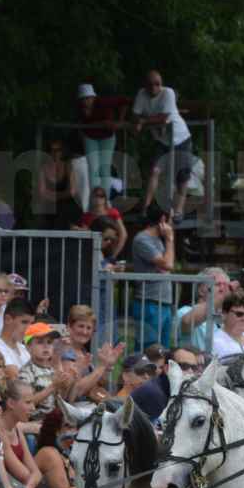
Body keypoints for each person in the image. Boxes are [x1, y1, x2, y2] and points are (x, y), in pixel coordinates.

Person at [132, 70, 194, 221]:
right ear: (145, 85)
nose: (154, 87)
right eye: (150, 84)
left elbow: (163, 117)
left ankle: (178, 212)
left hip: (181, 138)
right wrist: (139, 121)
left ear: (162, 84)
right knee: (154, 171)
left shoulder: (168, 93)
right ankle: (144, 209)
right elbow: (135, 114)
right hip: (163, 140)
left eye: (157, 84)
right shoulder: (142, 94)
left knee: (182, 177)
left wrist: (143, 121)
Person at [129, 205, 176, 348]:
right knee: (148, 349)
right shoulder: (142, 239)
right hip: (149, 302)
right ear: (163, 219)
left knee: (163, 350)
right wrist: (169, 240)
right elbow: (168, 264)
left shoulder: (157, 240)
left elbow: (168, 262)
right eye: (171, 219)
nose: (172, 224)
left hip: (162, 302)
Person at [76, 83, 127, 191]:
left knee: (104, 169)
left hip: (107, 137)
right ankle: (95, 200)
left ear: (93, 97)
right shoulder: (79, 108)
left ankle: (105, 200)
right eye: (83, 99)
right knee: (93, 169)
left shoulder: (104, 102)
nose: (86, 101)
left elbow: (124, 101)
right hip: (89, 137)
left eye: (88, 98)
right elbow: (79, 124)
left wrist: (119, 121)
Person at [18, 322, 72, 419]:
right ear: (28, 347)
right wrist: (53, 386)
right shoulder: (26, 372)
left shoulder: (51, 370)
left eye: (49, 342)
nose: (46, 346)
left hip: (51, 421)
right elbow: (26, 402)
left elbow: (59, 401)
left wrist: (64, 386)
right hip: (34, 421)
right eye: (40, 342)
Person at [32, 408, 77, 488]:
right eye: (68, 426)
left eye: (76, 426)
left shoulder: (68, 451)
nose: (75, 431)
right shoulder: (49, 453)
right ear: (56, 431)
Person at [0, 298, 35, 380]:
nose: (29, 328)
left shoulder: (25, 349)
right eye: (24, 322)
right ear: (7, 319)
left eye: (31, 323)